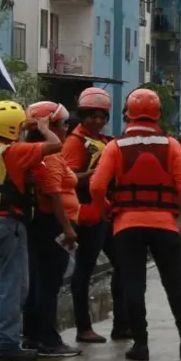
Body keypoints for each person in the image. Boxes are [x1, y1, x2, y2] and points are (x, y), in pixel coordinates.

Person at [90, 88, 181, 361]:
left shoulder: (115, 147)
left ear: (128, 113)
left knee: (133, 282)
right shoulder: (171, 145)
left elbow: (97, 185)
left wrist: (107, 210)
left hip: (127, 225)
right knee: (174, 282)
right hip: (164, 224)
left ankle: (140, 344)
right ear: (158, 114)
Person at [0, 101, 63, 361]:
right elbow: (55, 145)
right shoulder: (15, 151)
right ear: (12, 129)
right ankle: (7, 344)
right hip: (7, 226)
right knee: (12, 288)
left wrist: (23, 124)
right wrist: (43, 127)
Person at [62, 86, 128, 344]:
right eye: (92, 116)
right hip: (88, 214)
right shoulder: (75, 143)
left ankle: (121, 324)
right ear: (82, 115)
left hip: (106, 212)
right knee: (84, 270)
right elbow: (66, 179)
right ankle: (83, 327)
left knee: (122, 265)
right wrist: (94, 176)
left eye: (102, 116)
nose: (98, 121)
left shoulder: (103, 141)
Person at [21, 101, 83, 358]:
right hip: (54, 224)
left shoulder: (30, 150)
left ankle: (33, 335)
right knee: (49, 284)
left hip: (39, 225)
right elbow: (54, 194)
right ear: (50, 126)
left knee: (38, 282)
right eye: (63, 124)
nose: (67, 128)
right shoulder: (49, 154)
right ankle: (49, 340)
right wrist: (67, 228)